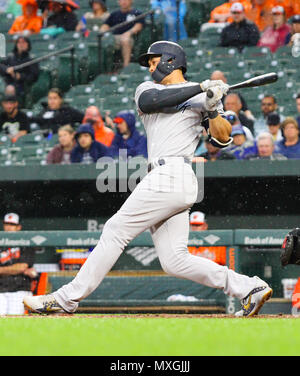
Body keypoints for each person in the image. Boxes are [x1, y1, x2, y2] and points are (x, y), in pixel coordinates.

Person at [23, 40, 273, 318]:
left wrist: (213, 107)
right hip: (163, 176)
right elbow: (155, 101)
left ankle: (67, 299)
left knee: (116, 230)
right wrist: (202, 89)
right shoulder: (148, 89)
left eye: (154, 61)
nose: (151, 67)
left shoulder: (203, 97)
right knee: (174, 261)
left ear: (171, 60)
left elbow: (223, 138)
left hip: (176, 174)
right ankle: (248, 287)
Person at [0, 213, 37, 315]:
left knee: (14, 320)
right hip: (1, 290)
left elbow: (22, 267)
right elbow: (20, 268)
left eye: (12, 224)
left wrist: (2, 270)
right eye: (6, 224)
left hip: (20, 289)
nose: (8, 227)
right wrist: (17, 269)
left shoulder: (26, 243)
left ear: (18, 227)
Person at [99, 0, 145, 67]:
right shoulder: (114, 14)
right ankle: (105, 68)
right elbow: (105, 25)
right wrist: (102, 32)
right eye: (121, 0)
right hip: (114, 37)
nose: (123, 2)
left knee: (125, 40)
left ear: (131, 1)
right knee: (103, 40)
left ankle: (126, 66)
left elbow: (139, 26)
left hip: (130, 37)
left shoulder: (137, 13)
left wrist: (128, 33)